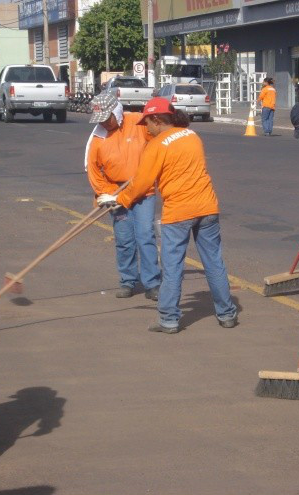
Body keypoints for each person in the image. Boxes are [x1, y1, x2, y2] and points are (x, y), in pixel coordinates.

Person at [96, 97, 238, 334]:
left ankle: (169, 319)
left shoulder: (157, 146)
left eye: (147, 123)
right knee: (214, 263)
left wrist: (117, 199)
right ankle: (227, 314)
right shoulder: (192, 136)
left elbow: (141, 184)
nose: (145, 128)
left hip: (179, 212)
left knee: (172, 268)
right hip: (207, 207)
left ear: (157, 119)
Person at [85, 92, 161, 300]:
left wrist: (149, 168)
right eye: (100, 120)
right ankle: (128, 281)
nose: (104, 124)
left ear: (116, 112)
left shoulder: (137, 122)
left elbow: (158, 141)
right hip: (116, 193)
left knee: (145, 235)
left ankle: (152, 283)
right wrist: (105, 193)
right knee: (124, 238)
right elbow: (93, 169)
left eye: (106, 118)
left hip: (142, 190)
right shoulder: (98, 137)